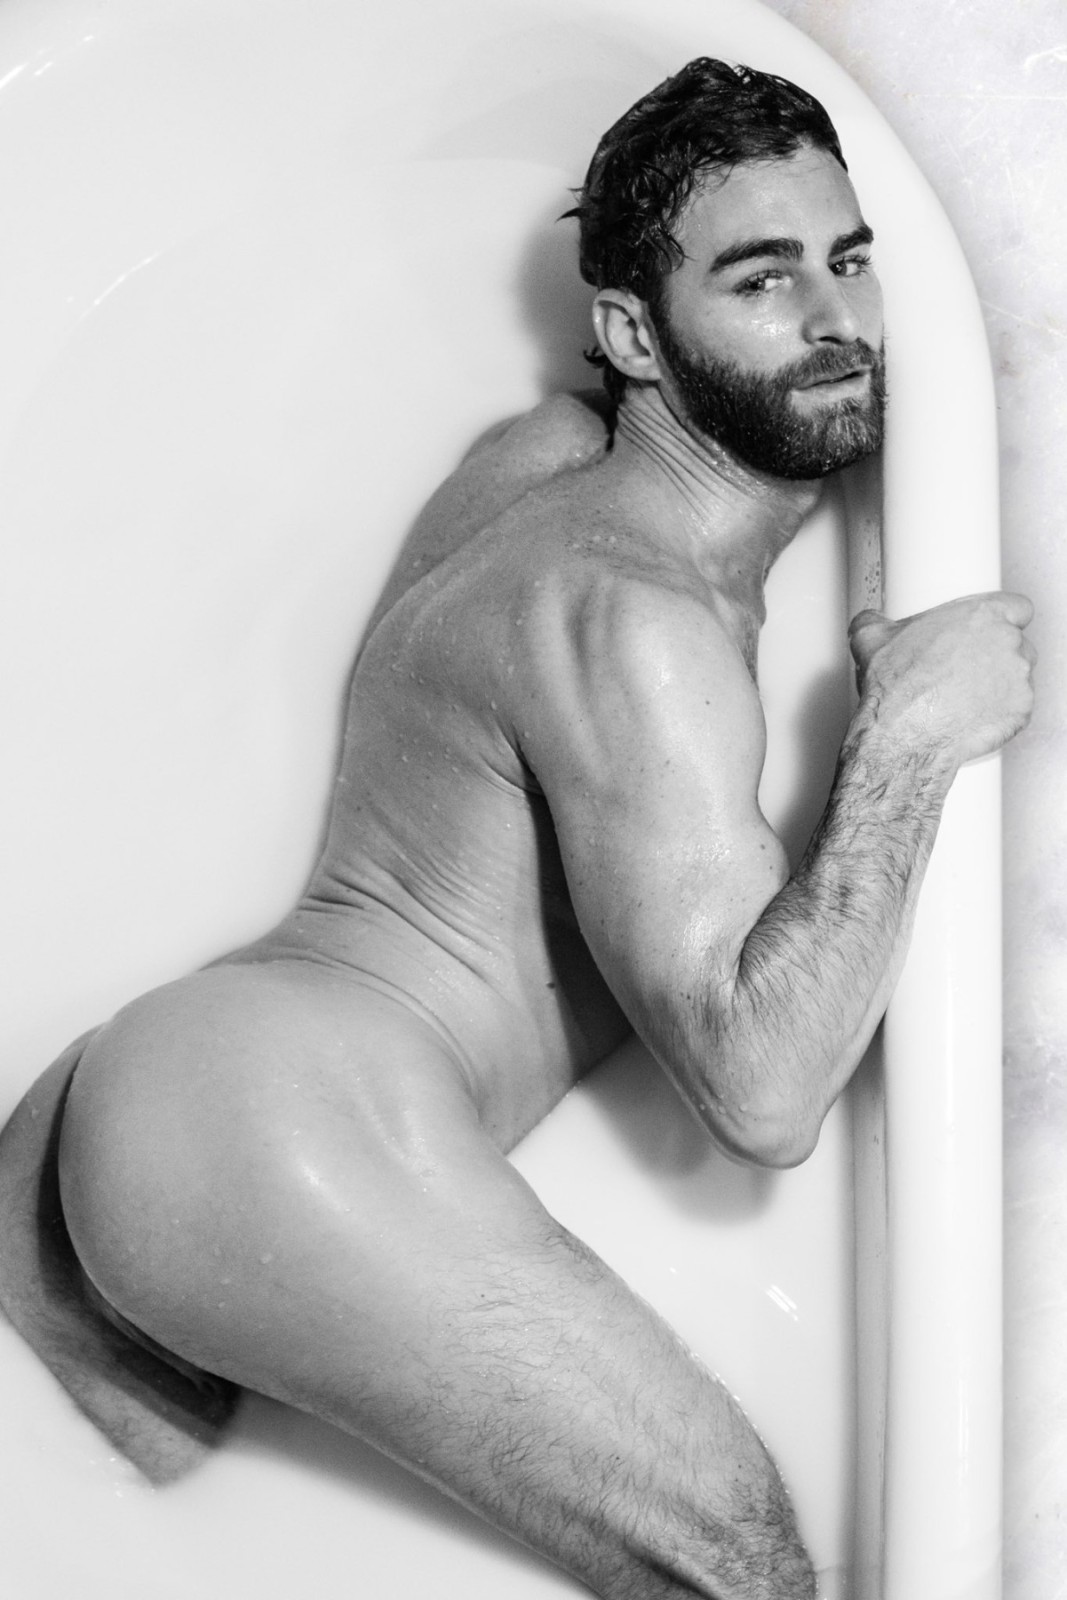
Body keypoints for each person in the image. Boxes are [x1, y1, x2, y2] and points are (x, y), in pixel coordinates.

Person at [0, 57, 1034, 1600]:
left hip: (136, 1108)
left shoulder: (535, 464)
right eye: (762, 281)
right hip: (284, 1127)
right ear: (633, 334)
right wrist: (908, 740)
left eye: (852, 260)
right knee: (744, 1568)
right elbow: (762, 1093)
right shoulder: (639, 624)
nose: (837, 321)